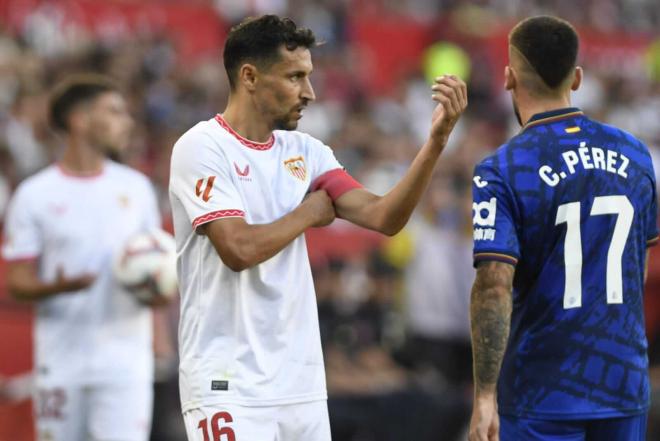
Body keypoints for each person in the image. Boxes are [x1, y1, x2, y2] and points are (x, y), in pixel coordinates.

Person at [168, 14, 466, 441]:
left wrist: (435, 143)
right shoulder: (202, 147)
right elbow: (237, 249)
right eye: (295, 77)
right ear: (249, 76)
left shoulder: (306, 152)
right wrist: (309, 213)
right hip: (229, 384)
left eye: (308, 76)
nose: (309, 92)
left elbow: (384, 217)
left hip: (300, 385)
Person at [468, 16, 657, 441]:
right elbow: (637, 268)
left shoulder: (501, 169)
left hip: (542, 390)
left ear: (508, 78)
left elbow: (494, 285)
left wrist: (484, 394)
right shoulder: (636, 154)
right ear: (576, 77)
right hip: (622, 382)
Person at [2, 74, 162, 441]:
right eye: (115, 111)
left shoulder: (136, 189)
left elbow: (154, 266)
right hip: (61, 365)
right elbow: (18, 280)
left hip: (126, 366)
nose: (128, 121)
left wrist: (160, 300)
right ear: (81, 119)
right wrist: (58, 286)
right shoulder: (34, 195)